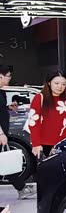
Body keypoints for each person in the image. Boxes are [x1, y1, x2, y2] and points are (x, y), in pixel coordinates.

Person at [26, 70, 66, 162]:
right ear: (49, 83)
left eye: (63, 84)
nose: (60, 86)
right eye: (56, 83)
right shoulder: (40, 98)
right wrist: (36, 144)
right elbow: (34, 123)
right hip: (46, 144)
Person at [0, 65, 34, 199]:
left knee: (4, 161)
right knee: (4, 161)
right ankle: (21, 188)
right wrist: (1, 134)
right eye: (8, 76)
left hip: (3, 132)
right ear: (0, 76)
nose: (10, 78)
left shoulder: (2, 92)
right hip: (1, 133)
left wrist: (8, 107)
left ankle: (21, 188)